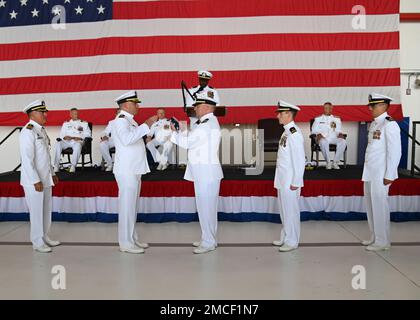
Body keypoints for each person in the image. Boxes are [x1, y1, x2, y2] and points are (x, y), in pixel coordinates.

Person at [170, 92, 223, 254]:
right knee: (207, 208)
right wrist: (180, 132)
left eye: (198, 106)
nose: (195, 109)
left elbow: (188, 143)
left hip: (206, 173)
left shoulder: (207, 124)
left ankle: (208, 242)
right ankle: (209, 238)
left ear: (207, 107)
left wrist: (173, 132)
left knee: (206, 208)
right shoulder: (206, 122)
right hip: (205, 172)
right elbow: (193, 139)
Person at [112, 91, 158, 254]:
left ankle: (131, 238)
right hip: (127, 170)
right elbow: (127, 139)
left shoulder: (129, 121)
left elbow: (134, 139)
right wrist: (146, 125)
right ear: (125, 105)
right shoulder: (120, 121)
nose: (138, 106)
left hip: (134, 169)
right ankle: (125, 243)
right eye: (135, 103)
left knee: (132, 206)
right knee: (126, 206)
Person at [362, 93, 401, 251]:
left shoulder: (389, 124)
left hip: (381, 172)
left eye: (374, 105)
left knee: (380, 205)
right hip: (370, 171)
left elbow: (395, 152)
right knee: (371, 205)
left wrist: (390, 174)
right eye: (370, 105)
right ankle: (375, 236)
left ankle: (383, 240)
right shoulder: (375, 124)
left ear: (384, 106)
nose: (370, 108)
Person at [20, 100, 60, 253]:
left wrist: (53, 173)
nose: (46, 114)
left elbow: (45, 157)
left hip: (46, 178)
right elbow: (27, 159)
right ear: (33, 114)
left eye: (45, 111)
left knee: (45, 209)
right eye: (42, 112)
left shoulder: (40, 130)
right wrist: (35, 180)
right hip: (34, 181)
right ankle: (37, 241)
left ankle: (45, 236)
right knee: (36, 211)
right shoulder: (28, 131)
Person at [273, 101, 306, 252]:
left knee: (291, 210)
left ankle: (292, 241)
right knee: (284, 209)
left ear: (288, 114)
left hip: (290, 180)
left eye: (280, 112)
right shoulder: (286, 131)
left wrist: (296, 181)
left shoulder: (294, 133)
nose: (278, 115)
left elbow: (299, 160)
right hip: (282, 178)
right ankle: (286, 236)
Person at [54, 108, 92, 173]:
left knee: (77, 145)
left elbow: (88, 134)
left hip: (77, 141)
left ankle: (73, 166)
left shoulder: (84, 123)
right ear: (70, 115)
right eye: (74, 114)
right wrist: (64, 137)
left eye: (77, 113)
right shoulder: (66, 124)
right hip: (67, 141)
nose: (76, 115)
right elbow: (61, 134)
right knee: (58, 144)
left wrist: (80, 138)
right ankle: (56, 165)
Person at [311, 102, 346, 169]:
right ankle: (328, 163)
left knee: (343, 141)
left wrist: (340, 134)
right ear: (323, 109)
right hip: (323, 138)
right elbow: (314, 130)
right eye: (326, 108)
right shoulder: (318, 119)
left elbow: (339, 130)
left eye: (330, 108)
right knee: (323, 142)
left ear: (332, 109)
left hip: (333, 137)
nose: (328, 109)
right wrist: (318, 134)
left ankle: (335, 163)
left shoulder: (336, 119)